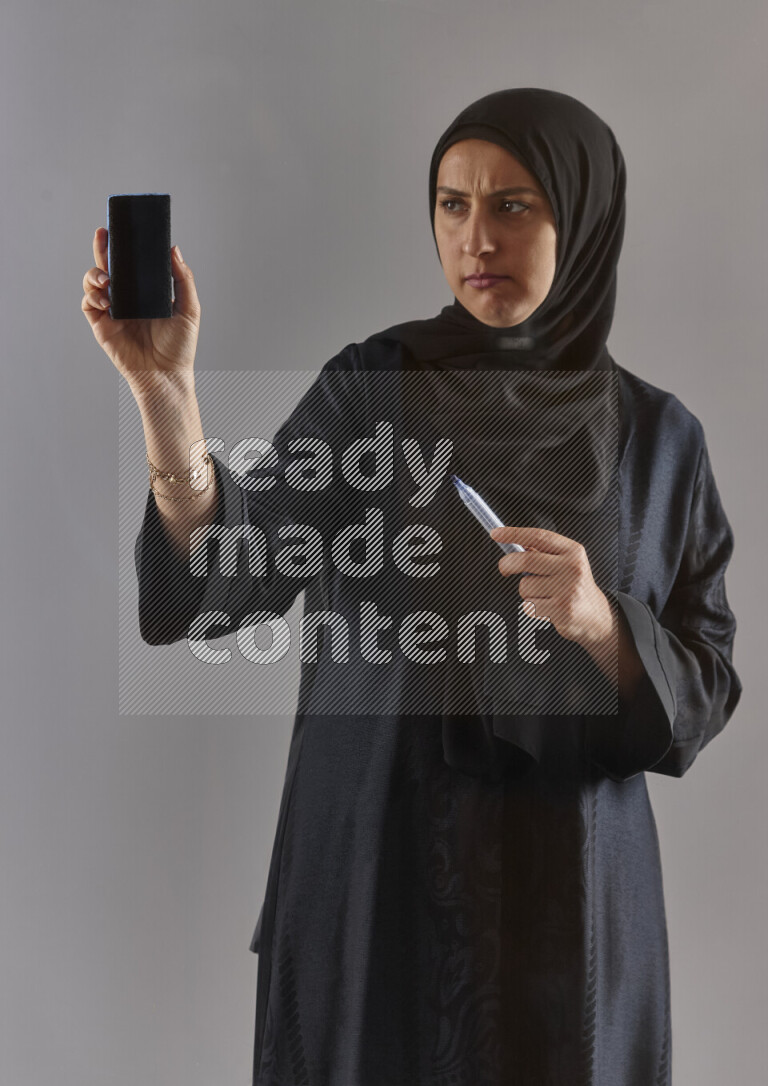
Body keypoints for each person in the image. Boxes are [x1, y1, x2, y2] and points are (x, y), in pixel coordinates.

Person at [82, 88, 742, 1085]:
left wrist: (603, 624)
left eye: (512, 205)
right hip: (376, 877)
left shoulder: (658, 439)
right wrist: (166, 401)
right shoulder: (372, 389)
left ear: (583, 215)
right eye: (451, 204)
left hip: (568, 906)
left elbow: (704, 680)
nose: (475, 237)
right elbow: (233, 573)